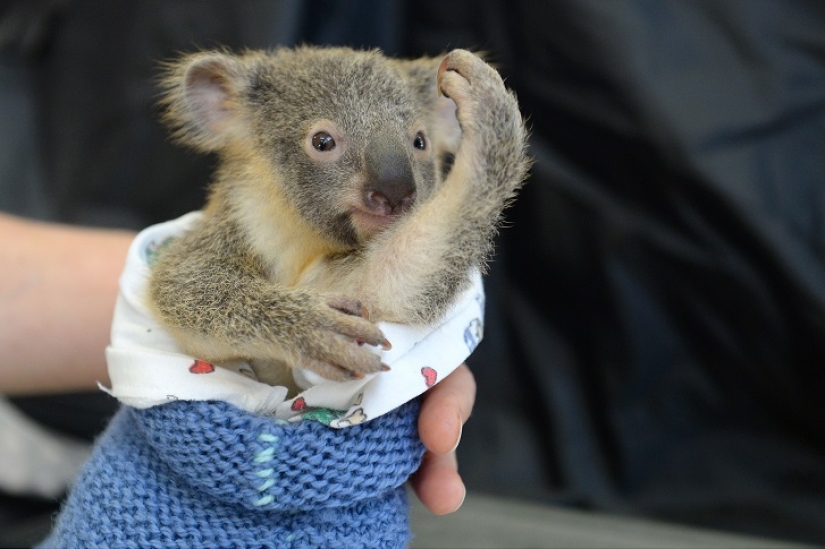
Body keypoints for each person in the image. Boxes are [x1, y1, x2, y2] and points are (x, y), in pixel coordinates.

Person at [3, 0, 825, 545]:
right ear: (225, 107)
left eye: (419, 145)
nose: (388, 177)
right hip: (165, 469)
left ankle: (485, 174)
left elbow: (387, 297)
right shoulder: (231, 222)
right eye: (326, 141)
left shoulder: (385, 243)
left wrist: (476, 178)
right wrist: (288, 322)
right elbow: (184, 295)